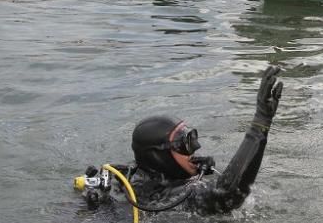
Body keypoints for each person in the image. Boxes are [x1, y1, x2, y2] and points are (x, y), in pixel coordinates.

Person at [82, 66, 284, 215]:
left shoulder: (141, 174)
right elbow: (227, 195)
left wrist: (196, 173)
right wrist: (260, 124)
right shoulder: (160, 199)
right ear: (160, 157)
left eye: (192, 137)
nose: (195, 148)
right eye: (184, 143)